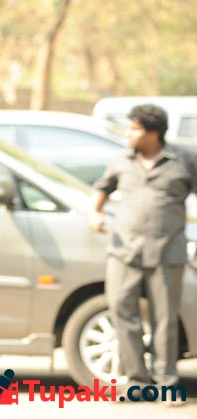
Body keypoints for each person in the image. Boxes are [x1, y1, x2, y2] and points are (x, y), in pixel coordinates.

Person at [89, 104, 197, 396]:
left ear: (153, 133)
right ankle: (136, 381)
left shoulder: (184, 160)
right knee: (122, 311)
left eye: (134, 129)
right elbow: (102, 188)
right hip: (124, 251)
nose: (128, 134)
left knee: (165, 319)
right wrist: (95, 212)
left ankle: (166, 383)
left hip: (167, 253)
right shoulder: (121, 160)